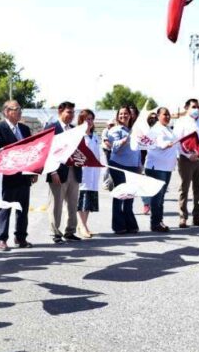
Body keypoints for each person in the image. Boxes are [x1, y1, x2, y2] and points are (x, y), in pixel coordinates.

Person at [0, 100, 35, 250]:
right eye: (15, 109)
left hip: (24, 176)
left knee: (22, 209)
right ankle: (1, 239)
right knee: (5, 208)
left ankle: (21, 237)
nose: (19, 112)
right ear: (6, 111)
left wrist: (33, 171)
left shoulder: (25, 129)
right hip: (7, 176)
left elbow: (32, 151)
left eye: (20, 109)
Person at [44, 101, 81, 244]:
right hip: (57, 172)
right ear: (60, 111)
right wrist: (53, 172)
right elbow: (47, 152)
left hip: (74, 171)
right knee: (56, 204)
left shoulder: (74, 129)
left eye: (73, 112)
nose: (71, 115)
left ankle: (70, 231)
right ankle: (56, 233)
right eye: (69, 112)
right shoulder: (51, 128)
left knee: (72, 204)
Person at [172, 98, 199, 228]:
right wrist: (188, 155)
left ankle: (197, 217)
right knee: (184, 189)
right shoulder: (181, 122)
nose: (196, 109)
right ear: (186, 108)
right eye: (194, 107)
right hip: (186, 159)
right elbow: (177, 142)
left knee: (198, 189)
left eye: (198, 107)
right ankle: (183, 218)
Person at [103, 105, 139, 235]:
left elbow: (137, 149)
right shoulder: (115, 129)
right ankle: (118, 226)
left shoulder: (134, 130)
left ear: (131, 115)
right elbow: (114, 148)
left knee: (130, 196)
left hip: (133, 167)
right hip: (118, 166)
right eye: (121, 114)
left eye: (126, 114)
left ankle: (130, 223)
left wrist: (139, 164)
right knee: (120, 195)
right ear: (118, 116)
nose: (123, 116)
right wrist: (124, 140)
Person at [143, 107, 177, 232]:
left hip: (166, 167)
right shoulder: (156, 129)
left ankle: (159, 221)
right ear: (158, 116)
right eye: (164, 114)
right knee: (157, 197)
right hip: (156, 167)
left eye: (168, 115)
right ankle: (155, 223)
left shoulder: (168, 128)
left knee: (161, 197)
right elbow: (159, 143)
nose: (167, 117)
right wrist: (165, 145)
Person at [76, 109, 101, 238]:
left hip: (94, 172)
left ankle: (84, 225)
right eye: (87, 119)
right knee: (82, 199)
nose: (90, 121)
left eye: (91, 119)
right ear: (81, 120)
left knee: (89, 199)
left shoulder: (95, 136)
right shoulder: (78, 135)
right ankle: (82, 226)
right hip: (83, 171)